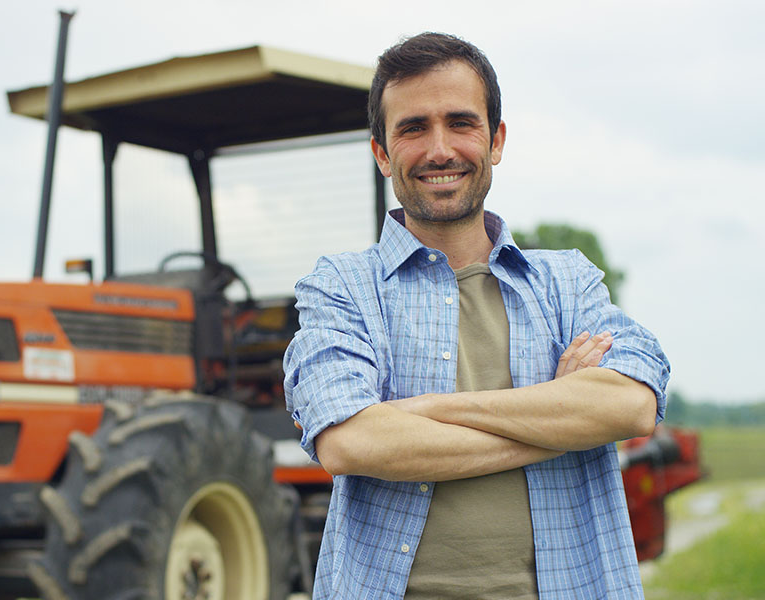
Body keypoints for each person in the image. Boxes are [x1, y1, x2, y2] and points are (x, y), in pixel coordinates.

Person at [283, 32, 670, 600]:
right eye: (413, 128)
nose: (440, 149)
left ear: (496, 140)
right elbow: (350, 442)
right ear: (382, 153)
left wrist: (422, 413)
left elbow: (632, 404)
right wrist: (558, 421)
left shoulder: (567, 280)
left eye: (461, 123)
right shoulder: (341, 286)